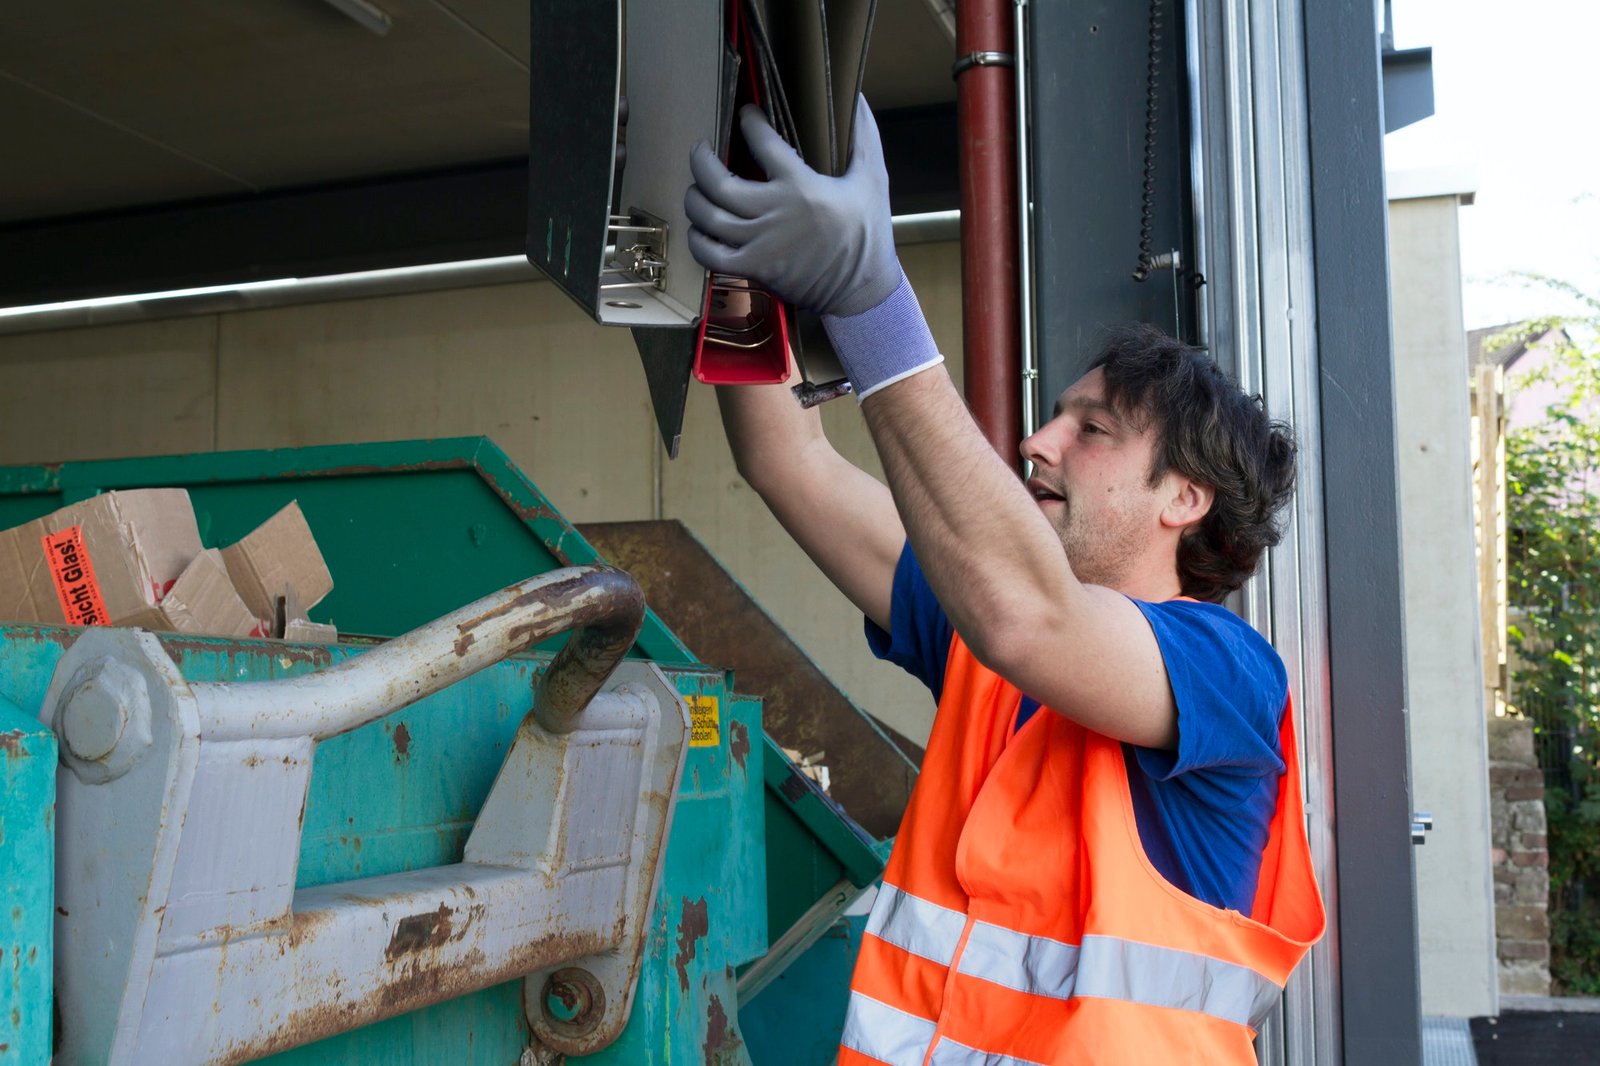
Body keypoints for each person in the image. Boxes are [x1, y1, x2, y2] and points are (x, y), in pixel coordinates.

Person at [685, 98, 1325, 1065]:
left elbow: (1030, 619)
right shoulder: (988, 645)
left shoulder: (1226, 673)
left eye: (1092, 429)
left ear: (1185, 498)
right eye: (1054, 416)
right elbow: (792, 466)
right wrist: (743, 302)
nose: (1038, 441)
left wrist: (870, 298)